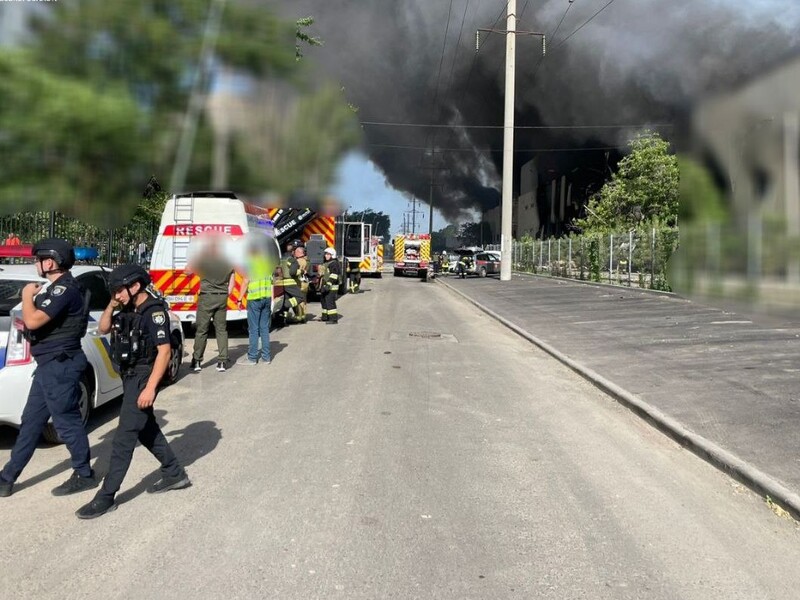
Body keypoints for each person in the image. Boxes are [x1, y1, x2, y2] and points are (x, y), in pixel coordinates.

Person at [76, 265, 189, 519]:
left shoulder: (153, 312)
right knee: (147, 429)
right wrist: (112, 304)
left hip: (143, 377)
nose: (117, 294)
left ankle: (106, 496)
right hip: (129, 377)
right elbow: (103, 328)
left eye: (119, 289)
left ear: (135, 286)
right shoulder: (126, 307)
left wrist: (150, 388)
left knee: (124, 438)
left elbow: (164, 351)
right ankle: (175, 474)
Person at [0, 238, 97, 498]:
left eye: (38, 259)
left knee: (66, 422)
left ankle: (84, 473)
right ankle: (7, 477)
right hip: (48, 366)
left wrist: (25, 296)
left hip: (60, 365)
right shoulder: (54, 289)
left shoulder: (63, 289)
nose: (35, 264)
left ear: (50, 261)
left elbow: (33, 321)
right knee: (30, 422)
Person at [189, 237, 235, 372]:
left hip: (206, 297)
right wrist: (226, 293)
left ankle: (197, 361)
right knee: (221, 330)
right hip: (221, 297)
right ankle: (222, 361)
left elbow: (188, 270)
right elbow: (232, 282)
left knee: (202, 330)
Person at [237, 240, 275, 366]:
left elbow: (246, 281)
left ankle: (252, 358)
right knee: (264, 329)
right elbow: (272, 282)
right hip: (266, 299)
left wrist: (239, 298)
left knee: (253, 330)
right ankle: (266, 357)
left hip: (254, 300)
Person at [278, 240, 305, 324]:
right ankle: (283, 305)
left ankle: (281, 320)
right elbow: (292, 273)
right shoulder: (292, 260)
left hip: (280, 283)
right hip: (290, 283)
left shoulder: (281, 259)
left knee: (287, 298)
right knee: (300, 297)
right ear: (293, 252)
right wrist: (301, 271)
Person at [318, 247, 341, 324]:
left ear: (332, 255)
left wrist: (328, 285)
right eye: (326, 254)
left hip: (332, 287)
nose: (326, 256)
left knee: (330, 301)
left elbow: (334, 275)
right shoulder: (327, 263)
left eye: (328, 254)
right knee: (323, 301)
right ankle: (325, 317)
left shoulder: (334, 263)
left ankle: (333, 319)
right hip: (325, 286)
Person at [295, 243, 310, 322]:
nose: (295, 253)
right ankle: (304, 315)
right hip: (305, 283)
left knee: (299, 300)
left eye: (296, 252)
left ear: (300, 253)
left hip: (300, 283)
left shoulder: (299, 261)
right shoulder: (306, 260)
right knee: (304, 300)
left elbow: (296, 272)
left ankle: (299, 316)